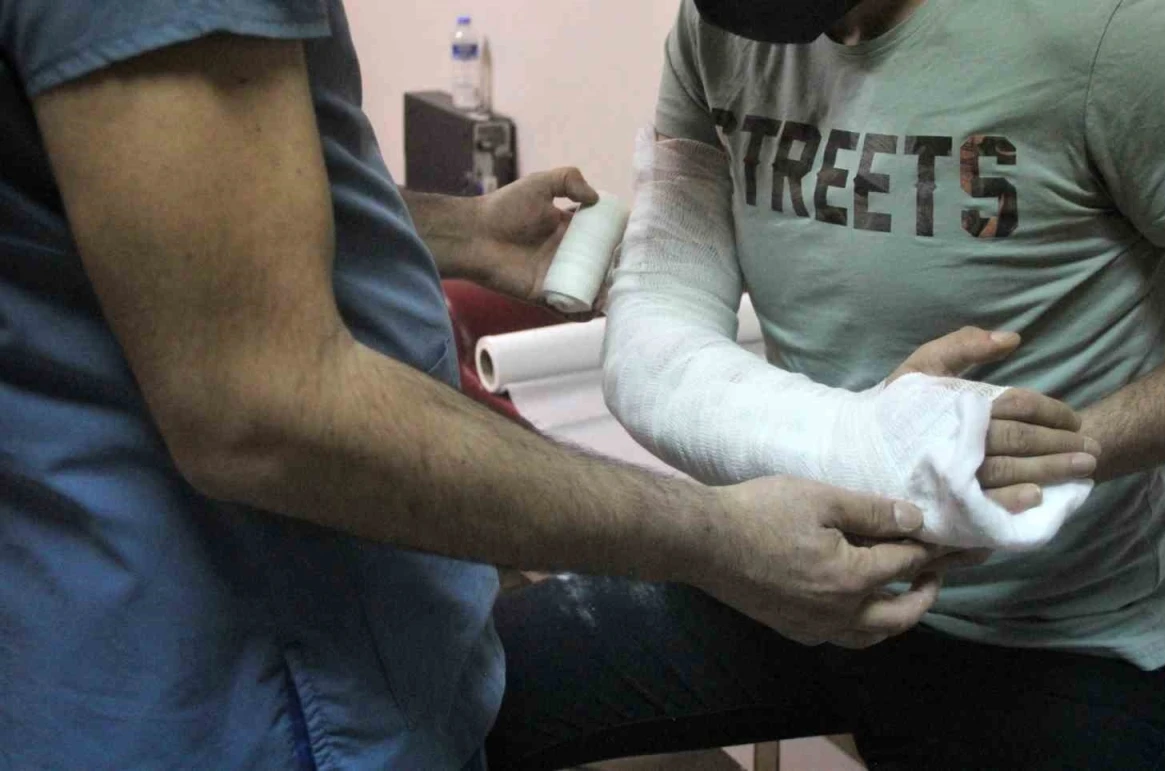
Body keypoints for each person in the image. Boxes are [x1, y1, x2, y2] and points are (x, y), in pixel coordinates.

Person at [0, 0, 1092, 767]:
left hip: (155, 647)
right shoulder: (719, 38)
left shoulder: (1107, 39)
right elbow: (263, 408)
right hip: (241, 683)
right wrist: (723, 533)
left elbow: (168, 211)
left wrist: (452, 230)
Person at [486, 0, 1165, 768]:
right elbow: (661, 319)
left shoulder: (1123, 25)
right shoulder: (724, 22)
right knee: (457, 687)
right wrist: (866, 446)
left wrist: (1069, 447)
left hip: (1049, 642)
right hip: (780, 563)